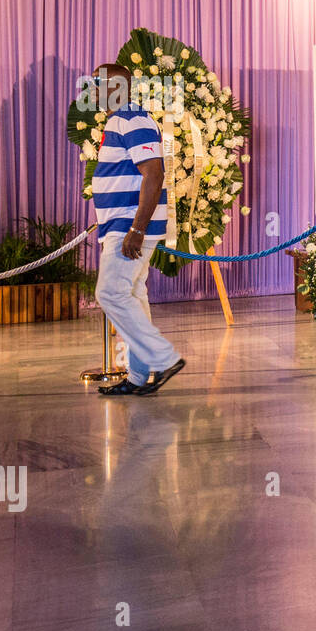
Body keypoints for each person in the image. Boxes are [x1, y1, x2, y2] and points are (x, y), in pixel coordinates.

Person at [90, 63, 186, 397]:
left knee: (110, 293)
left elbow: (154, 175)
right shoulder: (122, 120)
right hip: (121, 224)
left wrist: (137, 229)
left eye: (98, 84)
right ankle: (138, 374)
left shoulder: (132, 119)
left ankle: (163, 357)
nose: (94, 91)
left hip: (128, 227)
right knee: (132, 294)